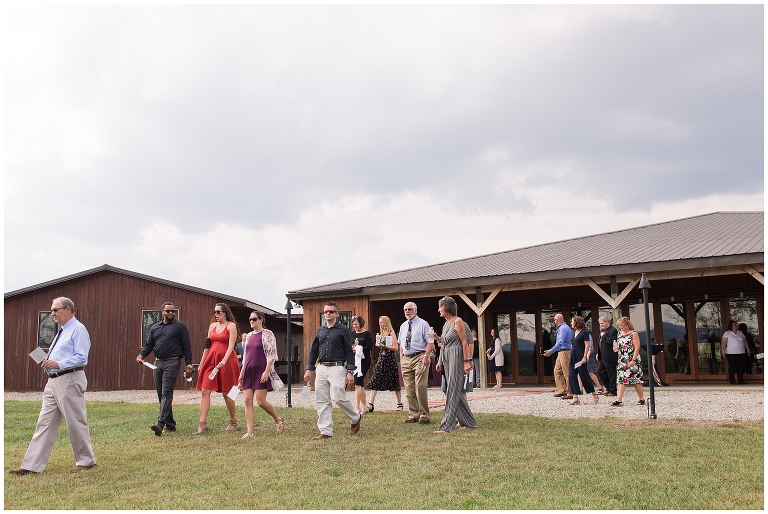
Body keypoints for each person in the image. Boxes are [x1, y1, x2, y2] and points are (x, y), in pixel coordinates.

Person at [9, 297, 97, 475]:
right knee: (44, 422)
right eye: (51, 311)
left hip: (69, 379)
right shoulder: (62, 331)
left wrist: (58, 364)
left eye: (56, 310)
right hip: (53, 381)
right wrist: (48, 362)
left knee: (75, 420)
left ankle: (86, 460)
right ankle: (32, 465)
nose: (52, 314)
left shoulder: (78, 329)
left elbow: (81, 358)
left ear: (67, 309)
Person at [303, 301, 361, 440]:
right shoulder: (320, 330)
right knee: (321, 399)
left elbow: (349, 351)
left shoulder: (344, 330)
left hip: (337, 367)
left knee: (338, 396)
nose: (328, 313)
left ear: (337, 314)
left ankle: (355, 418)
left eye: (331, 311)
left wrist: (350, 371)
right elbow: (314, 350)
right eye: (326, 312)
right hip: (321, 368)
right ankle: (326, 431)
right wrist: (309, 369)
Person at [136, 301, 193, 436]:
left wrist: (189, 365)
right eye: (168, 311)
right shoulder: (155, 327)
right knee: (161, 394)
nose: (171, 313)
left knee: (167, 393)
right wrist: (141, 355)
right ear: (162, 312)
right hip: (158, 363)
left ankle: (160, 424)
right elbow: (148, 345)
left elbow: (187, 346)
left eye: (173, 311)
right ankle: (170, 425)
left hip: (173, 362)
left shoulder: (180, 327)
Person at [431, 296, 477, 434]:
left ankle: (446, 426)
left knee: (452, 390)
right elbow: (444, 342)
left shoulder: (458, 321)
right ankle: (470, 423)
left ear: (447, 308)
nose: (438, 309)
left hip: (457, 357)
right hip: (447, 358)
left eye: (440, 307)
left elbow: (465, 342)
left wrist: (466, 362)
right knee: (455, 390)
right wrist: (439, 359)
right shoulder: (446, 324)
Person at [196, 303, 241, 433]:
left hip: (226, 361)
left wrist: (224, 360)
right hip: (211, 360)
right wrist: (201, 362)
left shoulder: (231, 326)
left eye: (218, 312)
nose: (216, 314)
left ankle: (233, 420)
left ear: (225, 313)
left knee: (226, 392)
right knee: (205, 390)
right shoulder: (212, 326)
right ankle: (202, 424)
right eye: (214, 312)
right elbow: (207, 345)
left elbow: (231, 346)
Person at [238, 311, 284, 438]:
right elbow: (246, 356)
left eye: (254, 319)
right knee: (247, 401)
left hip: (261, 370)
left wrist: (266, 371)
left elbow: (271, 354)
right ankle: (249, 432)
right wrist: (241, 373)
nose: (251, 321)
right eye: (250, 319)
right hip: (248, 371)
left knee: (261, 401)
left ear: (261, 319)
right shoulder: (248, 336)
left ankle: (278, 420)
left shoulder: (268, 334)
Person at [398, 302, 434, 424]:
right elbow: (401, 343)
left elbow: (430, 342)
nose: (407, 311)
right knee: (409, 388)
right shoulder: (403, 326)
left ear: (415, 310)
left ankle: (424, 415)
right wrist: (401, 357)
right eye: (405, 309)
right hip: (406, 358)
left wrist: (426, 356)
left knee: (420, 386)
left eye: (410, 309)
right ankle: (413, 415)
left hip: (420, 356)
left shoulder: (423, 324)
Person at [366, 316, 403, 412]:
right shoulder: (381, 334)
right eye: (379, 322)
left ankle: (399, 404)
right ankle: (370, 404)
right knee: (376, 378)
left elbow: (395, 348)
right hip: (382, 358)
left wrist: (383, 345)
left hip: (390, 359)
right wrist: (379, 345)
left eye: (381, 322)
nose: (380, 324)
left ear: (386, 323)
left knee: (394, 380)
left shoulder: (391, 333)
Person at [612, 317, 646, 407]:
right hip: (622, 359)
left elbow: (637, 347)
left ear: (627, 325)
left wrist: (634, 359)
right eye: (620, 326)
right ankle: (619, 400)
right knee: (621, 379)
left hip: (632, 358)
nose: (621, 327)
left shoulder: (633, 334)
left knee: (636, 380)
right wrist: (616, 347)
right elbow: (618, 346)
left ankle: (641, 398)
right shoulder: (619, 334)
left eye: (622, 325)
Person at [567, 316, 598, 405]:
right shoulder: (573, 333)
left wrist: (584, 357)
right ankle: (575, 397)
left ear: (577, 322)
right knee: (571, 375)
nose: (571, 323)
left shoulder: (584, 332)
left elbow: (587, 346)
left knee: (584, 376)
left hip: (580, 354)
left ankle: (594, 394)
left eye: (572, 321)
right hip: (573, 354)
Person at [544, 313, 572, 399]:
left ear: (557, 320)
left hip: (565, 352)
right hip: (561, 352)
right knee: (557, 371)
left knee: (567, 373)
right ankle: (562, 390)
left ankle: (570, 393)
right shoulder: (563, 328)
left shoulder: (563, 328)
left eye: (555, 320)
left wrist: (551, 351)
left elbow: (560, 342)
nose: (554, 321)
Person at [350, 315, 374, 414]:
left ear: (361, 324)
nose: (354, 326)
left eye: (356, 324)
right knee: (360, 384)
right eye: (353, 324)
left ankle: (359, 406)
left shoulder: (367, 334)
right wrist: (352, 348)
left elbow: (369, 346)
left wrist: (359, 348)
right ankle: (363, 407)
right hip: (355, 360)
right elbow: (350, 344)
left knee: (357, 383)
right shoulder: (352, 334)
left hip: (364, 361)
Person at [721, 320, 750, 384]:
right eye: (735, 324)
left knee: (740, 367)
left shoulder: (740, 332)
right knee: (732, 366)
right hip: (731, 353)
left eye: (736, 324)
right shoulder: (727, 333)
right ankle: (732, 380)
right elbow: (723, 343)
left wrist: (748, 349)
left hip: (741, 352)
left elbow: (745, 341)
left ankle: (741, 380)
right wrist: (723, 350)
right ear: (731, 325)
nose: (736, 325)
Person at [596, 315, 618, 397]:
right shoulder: (602, 330)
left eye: (602, 323)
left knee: (611, 373)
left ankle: (613, 390)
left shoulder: (613, 330)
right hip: (602, 355)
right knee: (600, 371)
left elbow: (611, 341)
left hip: (610, 356)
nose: (601, 325)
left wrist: (604, 336)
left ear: (607, 322)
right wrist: (598, 353)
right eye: (600, 324)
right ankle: (608, 387)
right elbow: (599, 343)